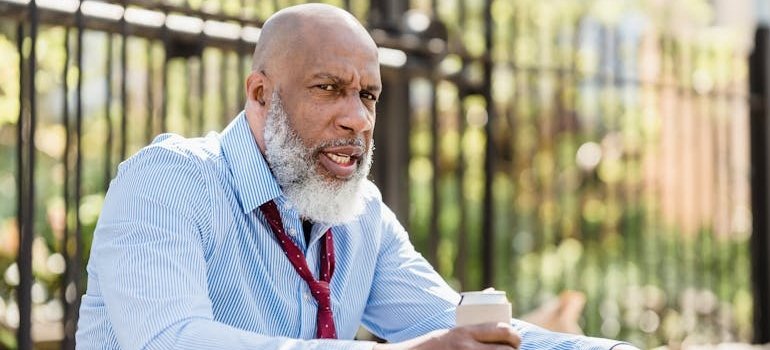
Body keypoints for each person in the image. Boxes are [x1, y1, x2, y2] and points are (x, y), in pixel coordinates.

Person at [75, 4, 638, 350]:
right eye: (329, 89)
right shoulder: (168, 182)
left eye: (368, 95)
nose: (359, 118)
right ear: (261, 94)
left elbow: (449, 325)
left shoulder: (360, 215)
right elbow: (170, 342)